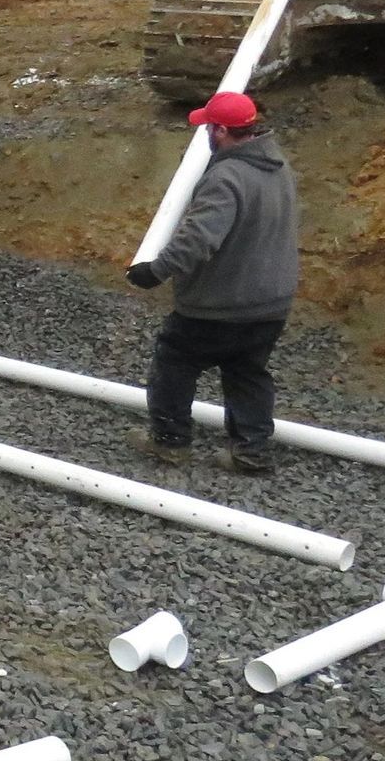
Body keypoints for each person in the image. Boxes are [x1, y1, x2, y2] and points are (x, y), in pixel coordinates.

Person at [125, 90, 299, 475]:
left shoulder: (225, 177)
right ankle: (250, 450)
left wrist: (155, 270)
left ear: (220, 131)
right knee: (247, 371)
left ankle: (169, 441)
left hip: (220, 302)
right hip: (271, 301)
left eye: (207, 127)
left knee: (175, 361)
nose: (204, 133)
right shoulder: (278, 165)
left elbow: (199, 239)